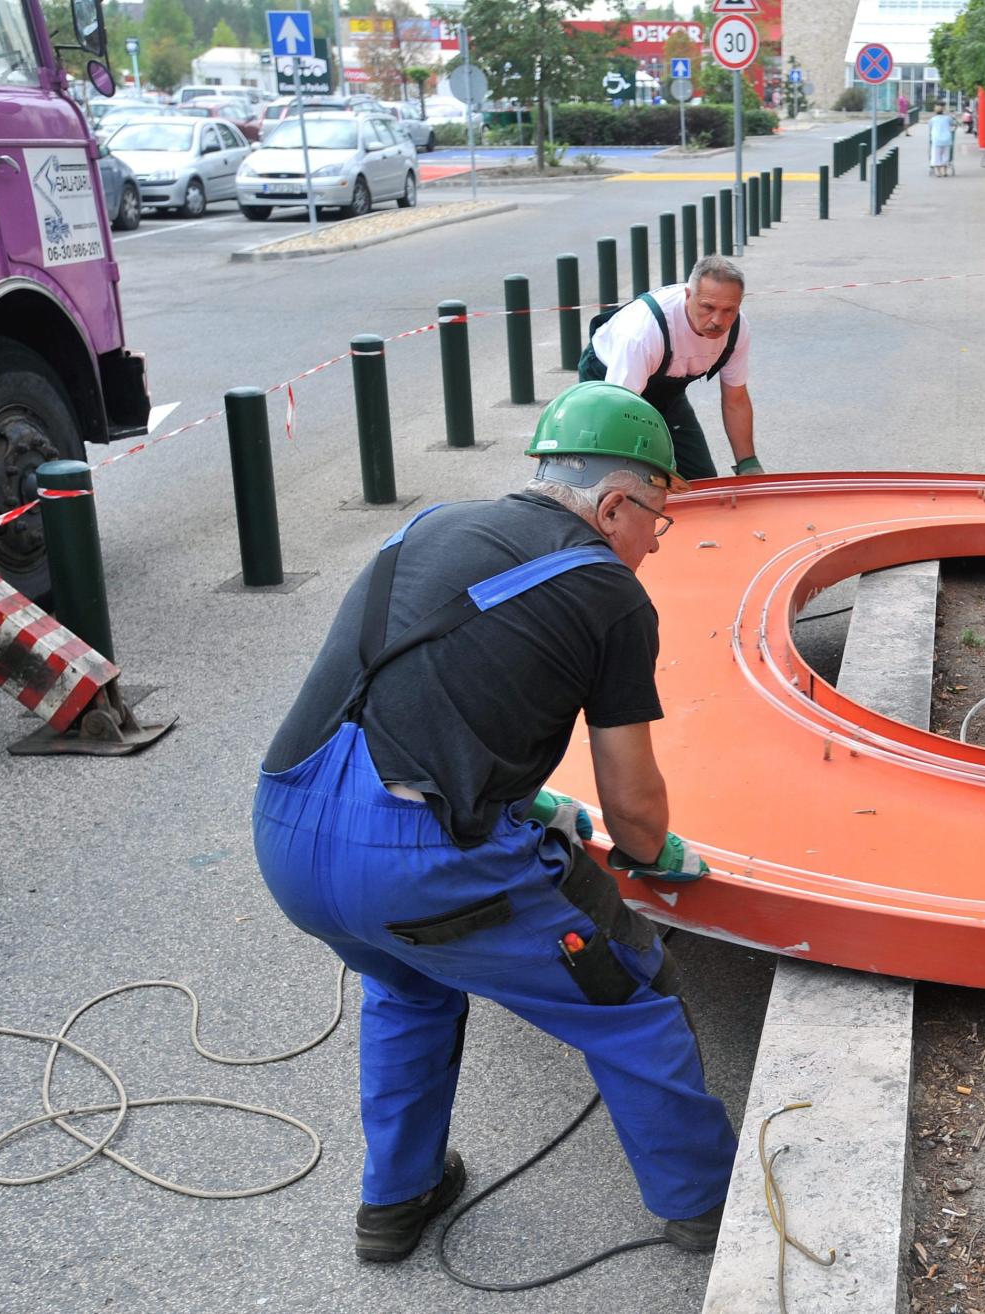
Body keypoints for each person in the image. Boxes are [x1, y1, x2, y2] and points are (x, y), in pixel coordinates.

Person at [251, 383, 737, 1264]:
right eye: (655, 522)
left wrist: (526, 801)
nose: (653, 545)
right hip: (416, 866)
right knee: (631, 995)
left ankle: (396, 1202)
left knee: (408, 982)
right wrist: (651, 856)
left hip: (287, 828)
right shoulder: (611, 595)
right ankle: (705, 1205)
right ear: (615, 503)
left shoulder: (429, 527)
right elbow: (631, 807)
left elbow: (415, 696)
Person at [579, 255, 762, 483]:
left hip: (666, 392)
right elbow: (618, 414)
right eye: (708, 307)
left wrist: (749, 465)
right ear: (688, 296)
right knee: (628, 484)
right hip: (611, 387)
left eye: (729, 310)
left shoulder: (737, 330)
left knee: (699, 483)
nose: (718, 320)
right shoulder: (644, 332)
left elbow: (736, 400)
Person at [929, 105, 955, 176]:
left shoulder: (932, 119)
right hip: (947, 139)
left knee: (936, 155)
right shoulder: (948, 118)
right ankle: (944, 171)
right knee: (945, 155)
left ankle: (937, 172)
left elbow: (930, 128)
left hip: (936, 139)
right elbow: (953, 124)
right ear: (943, 111)